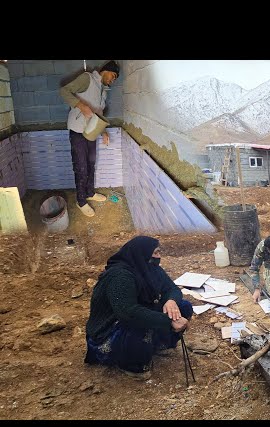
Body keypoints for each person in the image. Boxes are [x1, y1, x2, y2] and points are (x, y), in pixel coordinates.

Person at [84, 236, 192, 380]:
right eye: (156, 253)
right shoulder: (120, 276)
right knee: (141, 324)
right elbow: (128, 313)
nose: (159, 257)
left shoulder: (150, 269)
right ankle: (132, 365)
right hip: (109, 331)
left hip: (134, 315)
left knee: (182, 307)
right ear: (142, 253)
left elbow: (172, 288)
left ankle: (158, 345)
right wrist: (167, 321)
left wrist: (171, 301)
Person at [59, 60, 120, 218]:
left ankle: (89, 193)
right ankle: (81, 201)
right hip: (77, 130)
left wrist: (103, 131)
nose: (113, 80)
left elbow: (99, 114)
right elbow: (64, 91)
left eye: (115, 78)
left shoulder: (104, 91)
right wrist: (81, 105)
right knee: (81, 167)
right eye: (113, 76)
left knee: (91, 164)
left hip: (91, 132)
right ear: (105, 70)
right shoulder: (87, 79)